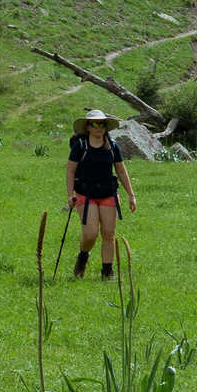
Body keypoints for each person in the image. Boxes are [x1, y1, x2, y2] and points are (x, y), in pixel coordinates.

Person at [66, 109, 136, 280]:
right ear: (88, 127)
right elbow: (70, 171)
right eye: (95, 124)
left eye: (102, 124)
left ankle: (107, 273)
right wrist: (70, 195)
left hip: (108, 193)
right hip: (86, 193)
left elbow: (121, 171)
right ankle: (83, 255)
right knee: (90, 234)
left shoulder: (113, 146)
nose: (99, 127)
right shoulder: (80, 146)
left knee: (108, 233)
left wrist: (131, 195)